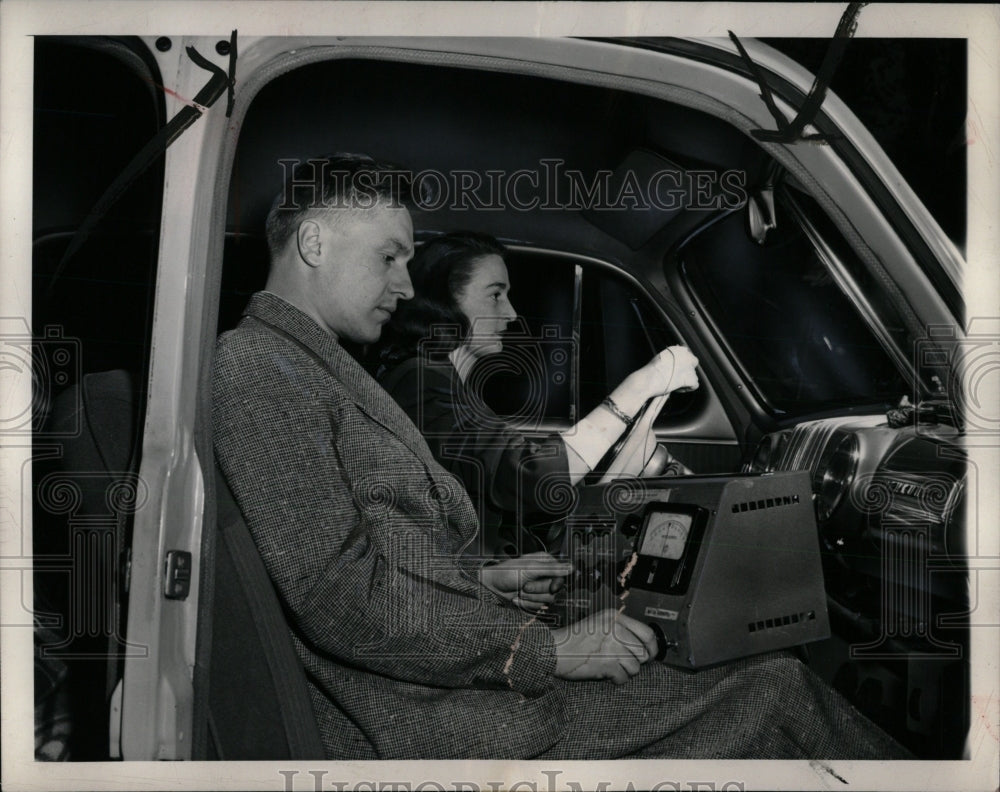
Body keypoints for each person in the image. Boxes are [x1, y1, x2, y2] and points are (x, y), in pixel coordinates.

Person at [212, 153, 909, 760]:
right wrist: (548, 651)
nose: (403, 283)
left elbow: (378, 554)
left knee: (756, 673)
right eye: (389, 256)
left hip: (444, 690)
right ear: (313, 242)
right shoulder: (259, 368)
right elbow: (338, 594)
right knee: (774, 685)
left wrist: (482, 583)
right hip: (433, 726)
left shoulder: (314, 366)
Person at [372, 231, 696, 564]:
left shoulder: (445, 382)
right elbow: (533, 478)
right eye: (495, 295)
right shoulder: (420, 380)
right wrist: (643, 384)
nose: (511, 314)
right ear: (444, 301)